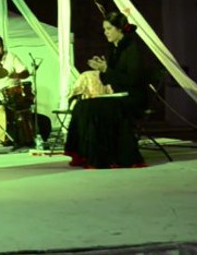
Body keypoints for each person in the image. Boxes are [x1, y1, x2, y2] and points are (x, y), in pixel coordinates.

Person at [63, 11, 148, 169]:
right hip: (119, 96)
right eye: (104, 29)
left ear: (120, 29)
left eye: (109, 29)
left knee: (96, 108)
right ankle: (82, 154)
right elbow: (110, 79)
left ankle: (104, 158)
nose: (105, 32)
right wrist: (102, 70)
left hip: (133, 98)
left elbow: (133, 80)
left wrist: (107, 69)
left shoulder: (132, 48)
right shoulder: (114, 50)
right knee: (82, 105)